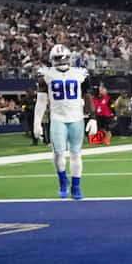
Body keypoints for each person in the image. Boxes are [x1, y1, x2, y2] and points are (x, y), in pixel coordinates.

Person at [33, 44, 89, 199]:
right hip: (57, 118)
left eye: (63, 57)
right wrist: (36, 122)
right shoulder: (46, 74)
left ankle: (76, 186)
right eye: (58, 58)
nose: (62, 61)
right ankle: (63, 180)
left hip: (76, 117)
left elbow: (87, 96)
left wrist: (92, 117)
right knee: (58, 152)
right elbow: (42, 100)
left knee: (76, 153)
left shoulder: (80, 73)